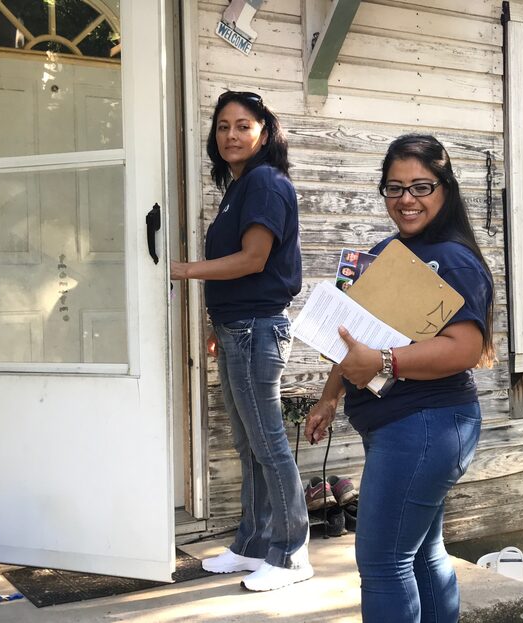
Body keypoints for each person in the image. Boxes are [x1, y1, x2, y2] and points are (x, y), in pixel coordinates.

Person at [305, 134, 495, 622]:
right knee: (424, 555)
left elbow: (466, 348)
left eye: (420, 187)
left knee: (384, 562)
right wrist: (329, 398)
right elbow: (354, 340)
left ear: (445, 190)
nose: (406, 199)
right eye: (394, 188)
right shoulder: (388, 252)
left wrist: (384, 362)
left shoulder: (452, 258)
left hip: (427, 425)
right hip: (409, 427)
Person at [170, 90, 311, 592]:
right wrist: (216, 324)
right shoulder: (240, 186)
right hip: (237, 328)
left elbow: (254, 260)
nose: (231, 134)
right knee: (248, 442)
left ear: (264, 132)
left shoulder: (266, 184)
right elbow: (245, 269)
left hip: (257, 329)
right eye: (223, 125)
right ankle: (253, 544)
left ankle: (292, 553)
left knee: (269, 443)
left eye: (243, 125)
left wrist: (182, 270)